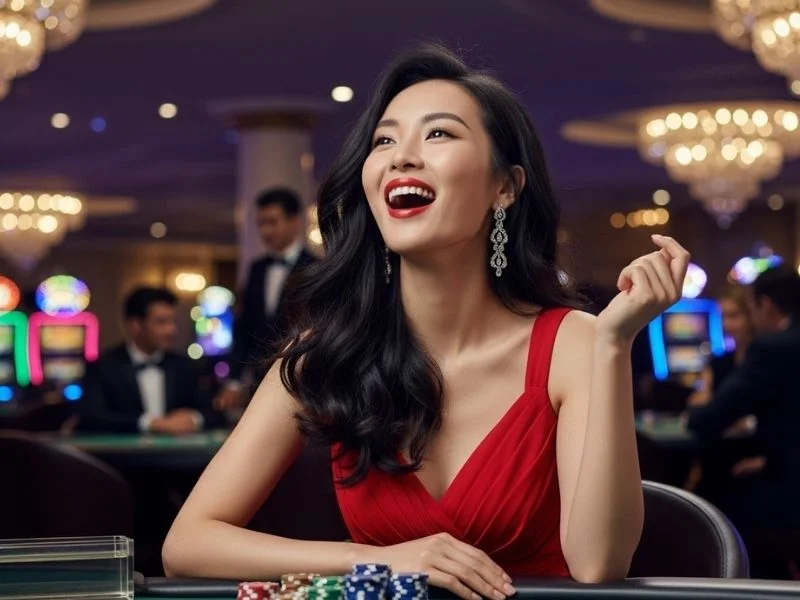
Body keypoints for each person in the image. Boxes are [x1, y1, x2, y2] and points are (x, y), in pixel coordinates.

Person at [163, 44, 689, 595]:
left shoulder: (575, 343)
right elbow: (187, 544)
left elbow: (599, 564)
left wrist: (613, 345)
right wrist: (378, 560)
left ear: (504, 187)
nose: (401, 157)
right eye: (384, 140)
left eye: (438, 134)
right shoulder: (328, 353)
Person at [687, 265, 800, 575]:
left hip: (789, 494)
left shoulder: (772, 349)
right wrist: (771, 459)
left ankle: (753, 587)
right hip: (785, 469)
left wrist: (694, 411)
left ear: (764, 305)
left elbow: (707, 420)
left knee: (720, 502)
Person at [215, 188, 318, 410]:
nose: (266, 231)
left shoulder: (317, 268)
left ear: (296, 221)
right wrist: (234, 380)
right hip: (260, 379)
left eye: (272, 222)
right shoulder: (256, 269)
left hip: (305, 380)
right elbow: (245, 329)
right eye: (261, 223)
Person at [77, 287, 220, 434]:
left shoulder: (185, 366)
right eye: (161, 322)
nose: (171, 330)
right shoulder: (104, 366)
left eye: (172, 321)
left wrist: (193, 418)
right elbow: (91, 417)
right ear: (135, 325)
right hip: (121, 456)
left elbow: (214, 414)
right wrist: (150, 424)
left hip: (178, 456)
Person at [687, 284, 755, 407]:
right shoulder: (718, 363)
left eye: (733, 316)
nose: (726, 325)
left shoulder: (765, 357)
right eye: (723, 316)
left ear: (751, 316)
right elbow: (698, 404)